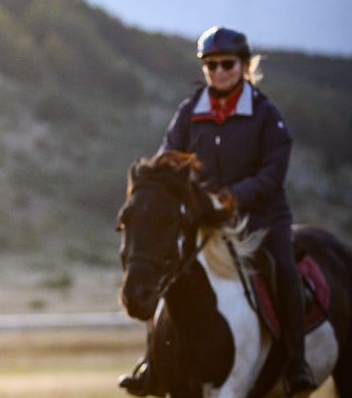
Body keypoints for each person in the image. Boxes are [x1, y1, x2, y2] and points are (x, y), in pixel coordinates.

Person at [119, 26, 315, 396]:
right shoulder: (190, 112)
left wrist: (232, 196)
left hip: (261, 216)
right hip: (204, 219)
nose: (219, 71)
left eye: (227, 64)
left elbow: (273, 174)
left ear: (244, 66)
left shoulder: (265, 113)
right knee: (164, 268)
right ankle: (152, 362)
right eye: (211, 65)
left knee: (282, 265)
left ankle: (296, 361)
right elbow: (168, 158)